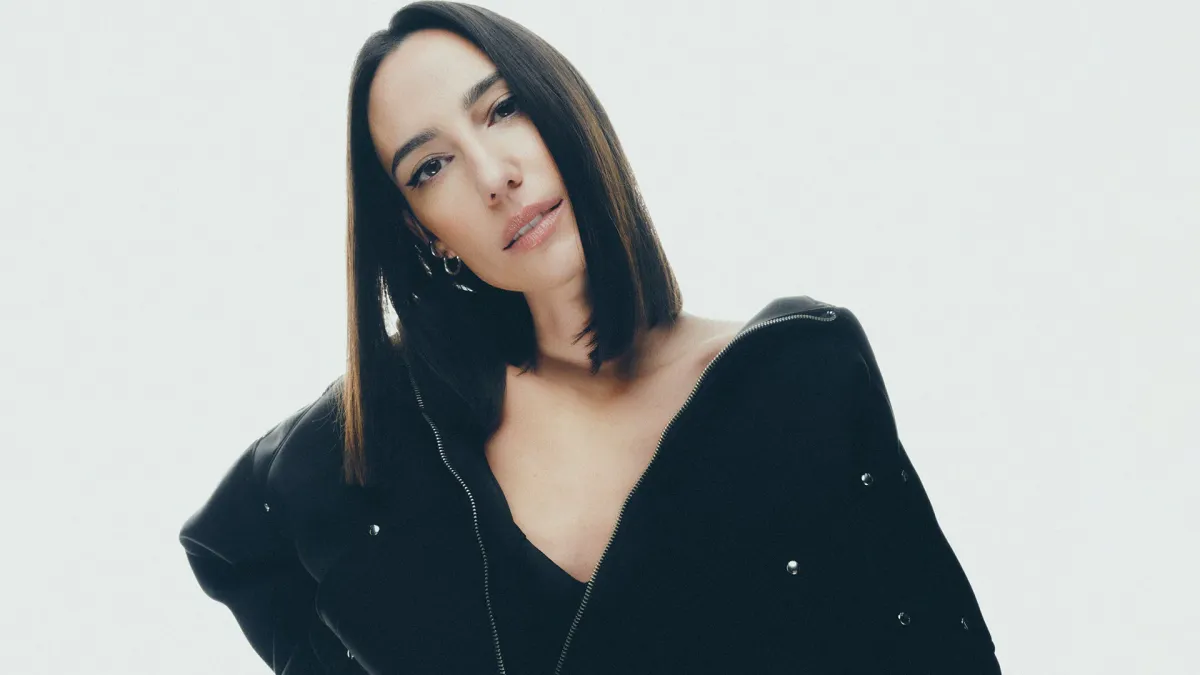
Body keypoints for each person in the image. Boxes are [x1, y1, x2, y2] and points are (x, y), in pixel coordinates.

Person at [177, 2, 1002, 673]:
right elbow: (235, 547)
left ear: (561, 103)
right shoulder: (397, 422)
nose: (494, 175)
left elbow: (935, 649)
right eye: (431, 167)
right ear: (422, 230)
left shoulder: (796, 374)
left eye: (503, 109)